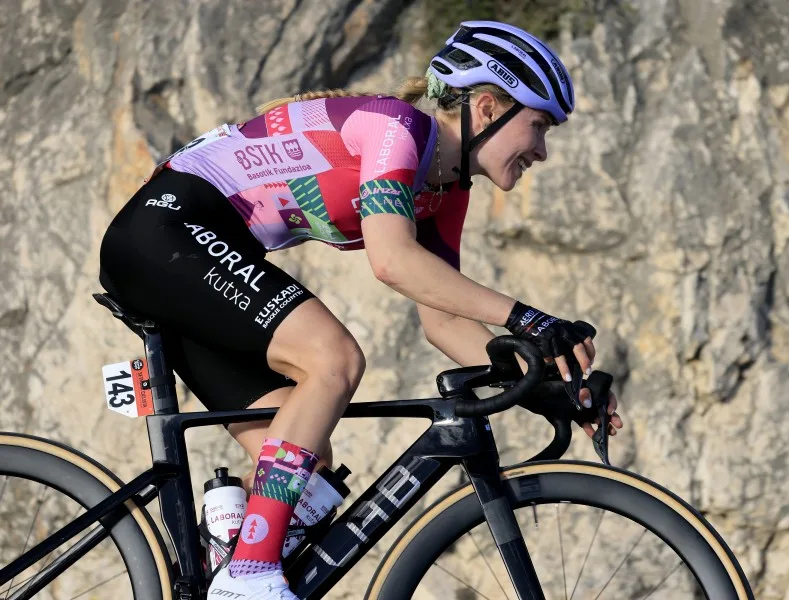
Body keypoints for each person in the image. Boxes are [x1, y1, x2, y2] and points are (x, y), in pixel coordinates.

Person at [99, 20, 624, 600]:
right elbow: (393, 261)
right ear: (487, 107)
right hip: (167, 232)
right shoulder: (396, 128)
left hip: (189, 256)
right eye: (539, 126)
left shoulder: (446, 189)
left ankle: (224, 554)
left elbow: (443, 317)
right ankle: (249, 572)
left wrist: (547, 385)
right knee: (334, 359)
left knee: (309, 468)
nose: (542, 151)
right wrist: (531, 320)